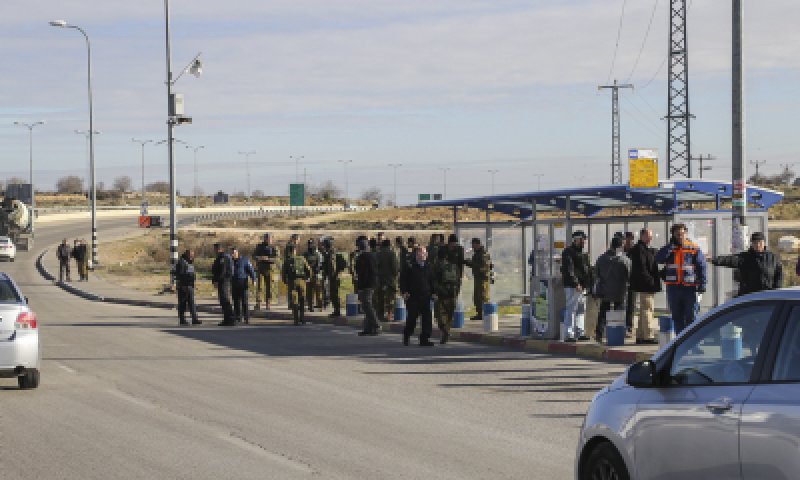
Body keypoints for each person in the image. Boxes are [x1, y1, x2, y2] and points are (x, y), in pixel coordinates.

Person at [656, 223, 708, 334]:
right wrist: (670, 247)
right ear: (673, 235)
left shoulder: (693, 248)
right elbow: (659, 259)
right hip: (673, 288)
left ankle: (692, 342)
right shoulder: (669, 249)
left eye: (682, 234)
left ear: (686, 233)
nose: (680, 236)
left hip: (689, 288)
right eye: (677, 234)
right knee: (677, 316)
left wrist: (702, 284)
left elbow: (702, 266)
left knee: (692, 316)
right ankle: (680, 342)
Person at [711, 231, 783, 297]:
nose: (758, 245)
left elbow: (779, 276)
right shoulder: (746, 257)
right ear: (752, 244)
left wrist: (775, 293)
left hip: (767, 297)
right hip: (749, 297)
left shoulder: (773, 258)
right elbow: (730, 260)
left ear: (764, 243)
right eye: (755, 243)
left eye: (760, 242)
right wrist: (714, 260)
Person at [594, 236, 632, 342]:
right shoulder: (625, 260)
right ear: (620, 246)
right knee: (618, 312)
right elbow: (629, 275)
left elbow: (596, 273)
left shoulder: (601, 258)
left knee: (603, 311)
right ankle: (617, 333)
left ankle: (599, 333)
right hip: (620, 290)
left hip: (605, 290)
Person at [628, 228, 661, 344]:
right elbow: (642, 268)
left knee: (643, 310)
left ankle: (641, 335)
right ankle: (648, 335)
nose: (650, 238)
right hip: (645, 285)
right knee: (648, 309)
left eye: (651, 236)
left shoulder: (645, 249)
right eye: (648, 236)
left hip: (644, 284)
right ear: (642, 236)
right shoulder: (640, 250)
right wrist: (651, 281)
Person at [400, 246, 437, 347]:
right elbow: (403, 280)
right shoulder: (410, 266)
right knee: (412, 318)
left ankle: (424, 338)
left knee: (427, 319)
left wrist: (434, 292)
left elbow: (432, 281)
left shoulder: (429, 266)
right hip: (413, 297)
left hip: (426, 296)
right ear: (417, 255)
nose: (423, 256)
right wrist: (404, 292)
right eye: (421, 254)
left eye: (425, 254)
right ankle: (407, 335)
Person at [561, 231, 593, 342]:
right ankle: (569, 334)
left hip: (582, 286)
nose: (583, 241)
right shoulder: (568, 252)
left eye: (584, 239)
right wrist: (576, 283)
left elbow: (587, 269)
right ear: (575, 239)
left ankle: (580, 332)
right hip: (572, 286)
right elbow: (569, 270)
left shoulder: (583, 253)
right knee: (571, 309)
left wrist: (587, 284)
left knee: (581, 309)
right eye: (581, 239)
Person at [354, 236, 380, 336]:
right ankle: (368, 328)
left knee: (367, 305)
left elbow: (366, 273)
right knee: (367, 306)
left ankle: (376, 325)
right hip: (369, 284)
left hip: (367, 285)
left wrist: (361, 286)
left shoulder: (365, 257)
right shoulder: (369, 256)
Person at [282, 243, 312, 325]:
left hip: (292, 282)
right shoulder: (302, 259)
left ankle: (296, 320)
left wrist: (285, 281)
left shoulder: (287, 261)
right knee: (302, 300)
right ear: (295, 251)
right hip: (302, 281)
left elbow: (284, 273)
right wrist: (308, 278)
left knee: (294, 301)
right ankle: (302, 318)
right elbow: (308, 270)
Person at [434, 247, 460, 344]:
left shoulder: (436, 266)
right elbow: (458, 281)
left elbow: (434, 281)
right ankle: (446, 333)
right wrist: (456, 292)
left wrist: (435, 292)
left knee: (439, 316)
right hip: (452, 294)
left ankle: (444, 332)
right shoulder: (453, 266)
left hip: (441, 295)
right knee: (449, 317)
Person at [465, 238, 491, 320]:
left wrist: (471, 263)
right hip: (478, 278)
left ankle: (485, 314)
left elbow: (483, 267)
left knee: (483, 296)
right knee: (477, 297)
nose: (472, 247)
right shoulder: (477, 253)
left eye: (473, 245)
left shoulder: (483, 254)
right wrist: (469, 263)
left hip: (483, 279)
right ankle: (479, 314)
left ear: (477, 244)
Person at [253, 233, 280, 310]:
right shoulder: (259, 246)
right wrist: (260, 258)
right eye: (266, 238)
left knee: (269, 287)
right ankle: (258, 302)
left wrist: (268, 259)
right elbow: (254, 256)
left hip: (270, 269)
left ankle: (268, 303)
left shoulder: (274, 248)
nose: (267, 240)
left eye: (269, 238)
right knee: (260, 287)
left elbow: (277, 258)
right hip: (260, 269)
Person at [211, 243, 236, 326]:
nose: (214, 251)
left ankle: (230, 319)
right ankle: (226, 319)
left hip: (224, 281)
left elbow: (222, 271)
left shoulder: (223, 257)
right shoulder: (221, 257)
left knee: (225, 300)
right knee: (223, 300)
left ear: (219, 249)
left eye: (215, 249)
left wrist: (217, 280)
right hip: (223, 281)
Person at [322, 237, 347, 318]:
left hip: (334, 277)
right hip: (331, 277)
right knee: (333, 294)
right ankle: (336, 310)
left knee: (334, 294)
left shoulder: (334, 254)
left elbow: (343, 264)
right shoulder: (328, 254)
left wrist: (338, 273)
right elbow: (325, 266)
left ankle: (337, 310)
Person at [175, 249, 201, 325]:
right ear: (187, 254)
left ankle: (194, 319)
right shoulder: (182, 262)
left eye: (193, 255)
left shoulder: (190, 262)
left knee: (192, 303)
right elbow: (180, 275)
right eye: (191, 255)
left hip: (190, 285)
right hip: (184, 286)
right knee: (183, 303)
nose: (192, 256)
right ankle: (182, 319)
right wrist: (183, 285)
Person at [376, 238, 399, 322]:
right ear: (389, 245)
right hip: (390, 280)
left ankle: (380, 315)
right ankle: (389, 315)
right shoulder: (392, 254)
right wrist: (396, 275)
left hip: (380, 280)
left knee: (380, 298)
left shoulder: (378, 254)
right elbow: (395, 268)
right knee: (390, 298)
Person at [231, 247, 256, 324]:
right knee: (236, 301)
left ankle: (246, 317)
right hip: (234, 283)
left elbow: (251, 270)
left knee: (244, 301)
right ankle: (238, 317)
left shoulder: (244, 260)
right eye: (232, 253)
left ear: (238, 253)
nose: (233, 255)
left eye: (234, 253)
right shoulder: (230, 261)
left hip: (243, 283)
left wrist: (253, 279)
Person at [303, 238, 324, 312]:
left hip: (316, 275)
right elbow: (303, 264)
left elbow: (320, 264)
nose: (310, 246)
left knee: (318, 292)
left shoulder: (318, 254)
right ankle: (310, 307)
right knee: (309, 292)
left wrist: (316, 270)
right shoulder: (305, 254)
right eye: (309, 244)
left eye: (311, 244)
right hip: (308, 275)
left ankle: (320, 306)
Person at [623, 231, 636, 336]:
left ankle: (629, 326)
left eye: (631, 240)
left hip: (632, 281)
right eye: (627, 240)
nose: (629, 242)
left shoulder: (635, 251)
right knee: (621, 304)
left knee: (631, 304)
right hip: (621, 281)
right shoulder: (619, 251)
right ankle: (621, 324)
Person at [283, 234, 300, 308]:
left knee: (290, 287)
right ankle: (293, 303)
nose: (298, 241)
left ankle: (290, 303)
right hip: (291, 267)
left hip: (287, 266)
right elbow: (293, 256)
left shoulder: (288, 245)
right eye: (298, 239)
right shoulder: (292, 246)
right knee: (293, 287)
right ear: (294, 239)